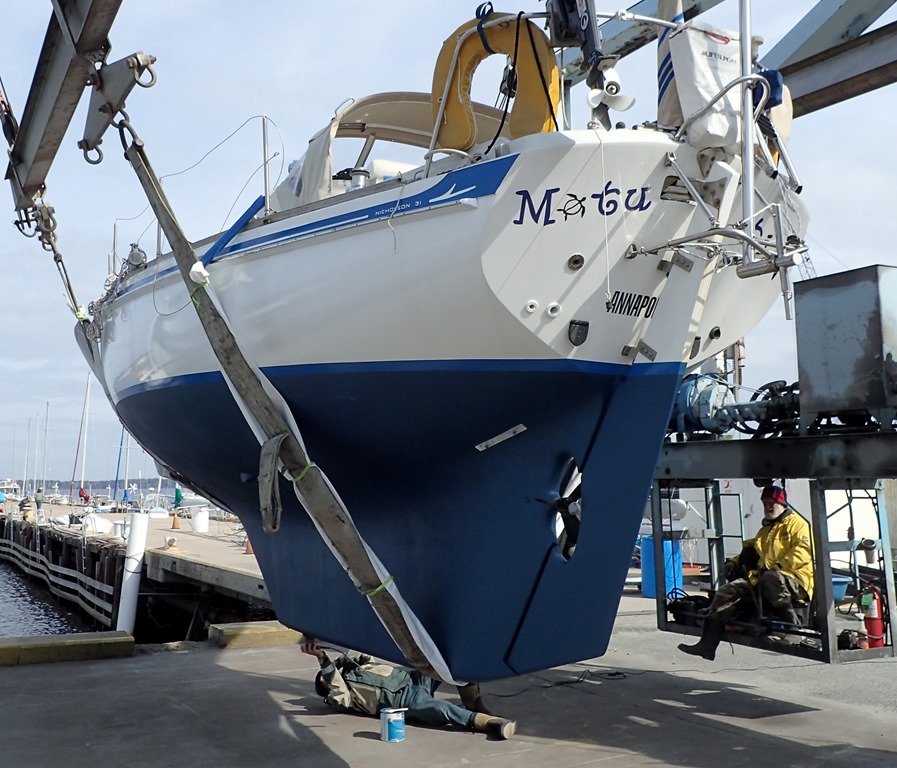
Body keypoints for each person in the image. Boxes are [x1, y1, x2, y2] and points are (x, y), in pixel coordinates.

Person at [678, 485, 814, 661]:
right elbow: (753, 548)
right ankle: (707, 645)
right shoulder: (765, 529)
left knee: (771, 578)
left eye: (772, 503)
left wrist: (776, 567)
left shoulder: (798, 525)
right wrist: (733, 563)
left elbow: (803, 552)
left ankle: (793, 629)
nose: (768, 507)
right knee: (727, 591)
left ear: (782, 503)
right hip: (763, 577)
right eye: (765, 503)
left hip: (795, 578)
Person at [301, 640, 516, 739]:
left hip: (413, 678)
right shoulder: (342, 697)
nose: (327, 677)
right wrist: (323, 661)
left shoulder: (356, 668)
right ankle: (491, 723)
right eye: (325, 680)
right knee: (443, 710)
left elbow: (365, 653)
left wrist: (340, 660)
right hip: (405, 701)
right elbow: (337, 688)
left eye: (324, 675)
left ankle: (474, 704)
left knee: (449, 667)